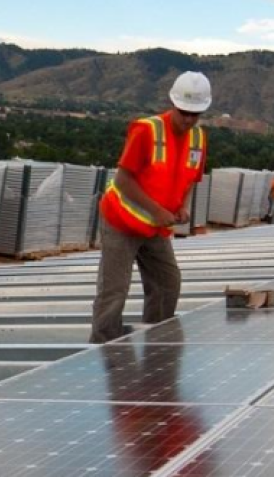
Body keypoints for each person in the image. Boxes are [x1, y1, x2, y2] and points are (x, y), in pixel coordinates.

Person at [90, 71, 210, 344]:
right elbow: (122, 180)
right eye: (184, 113)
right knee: (114, 292)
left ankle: (156, 343)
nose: (188, 120)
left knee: (168, 283)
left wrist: (182, 207)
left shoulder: (198, 139)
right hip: (122, 221)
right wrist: (157, 210)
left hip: (155, 227)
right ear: (173, 104)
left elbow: (191, 178)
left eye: (195, 114)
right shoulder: (147, 130)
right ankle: (102, 351)